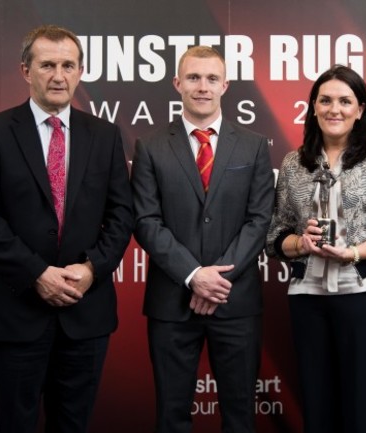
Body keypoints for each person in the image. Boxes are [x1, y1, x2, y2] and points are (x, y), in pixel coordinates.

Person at [0, 25, 134, 433]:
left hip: (85, 310)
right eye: (47, 65)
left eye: (68, 65)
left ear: (80, 72)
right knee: (14, 423)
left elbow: (122, 213)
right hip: (16, 309)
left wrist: (92, 268)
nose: (58, 75)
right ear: (26, 70)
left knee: (73, 423)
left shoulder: (106, 135)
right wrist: (37, 274)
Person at [266, 65, 366, 433]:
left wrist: (351, 253)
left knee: (360, 408)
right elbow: (275, 236)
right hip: (307, 298)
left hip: (364, 295)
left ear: (361, 109)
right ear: (313, 107)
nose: (335, 109)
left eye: (345, 101)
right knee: (317, 409)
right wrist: (301, 243)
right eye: (326, 100)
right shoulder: (292, 163)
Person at [131, 46, 274, 433]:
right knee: (172, 416)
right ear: (177, 83)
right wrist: (194, 275)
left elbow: (259, 220)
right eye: (193, 77)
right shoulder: (150, 146)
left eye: (212, 78)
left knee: (240, 417)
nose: (202, 87)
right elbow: (146, 221)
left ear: (225, 85)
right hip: (172, 304)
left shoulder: (254, 146)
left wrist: (216, 280)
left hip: (235, 301)